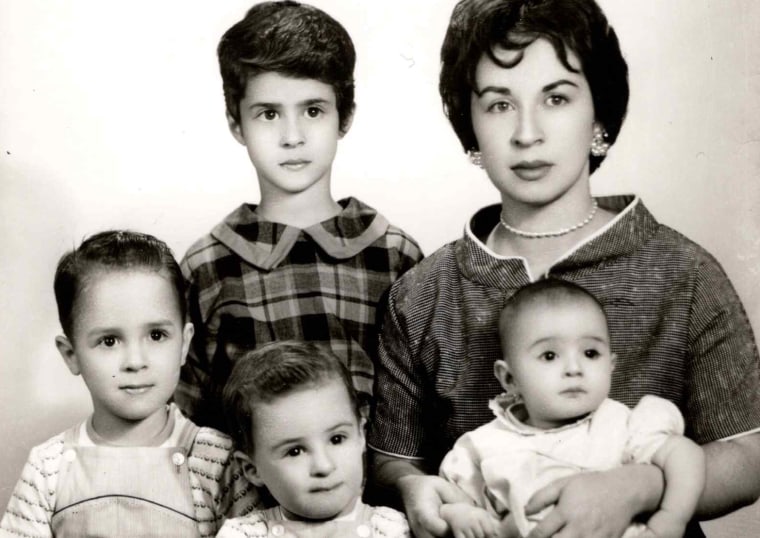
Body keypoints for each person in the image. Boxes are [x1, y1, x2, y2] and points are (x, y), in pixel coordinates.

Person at [367, 1, 760, 537]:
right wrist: (413, 488)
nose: (527, 133)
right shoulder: (421, 294)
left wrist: (640, 485)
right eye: (499, 104)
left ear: (598, 118)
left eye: (555, 98)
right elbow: (390, 460)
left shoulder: (684, 273)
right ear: (472, 128)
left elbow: (750, 451)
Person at [175, 0, 422, 432]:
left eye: (313, 110)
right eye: (269, 114)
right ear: (237, 123)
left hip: (375, 496)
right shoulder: (208, 266)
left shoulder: (393, 254)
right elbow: (185, 420)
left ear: (344, 117)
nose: (292, 137)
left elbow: (416, 413)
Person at [0, 231, 258, 538]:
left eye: (157, 335)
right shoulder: (47, 468)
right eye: (109, 341)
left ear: (184, 343)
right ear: (72, 356)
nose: (136, 361)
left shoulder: (217, 460)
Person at [438, 279, 705, 538]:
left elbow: (685, 455)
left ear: (611, 365)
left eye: (590, 353)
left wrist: (671, 518)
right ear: (510, 378)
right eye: (550, 356)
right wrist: (460, 515)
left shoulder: (623, 424)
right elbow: (448, 501)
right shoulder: (484, 446)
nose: (575, 369)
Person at [217, 340, 410, 538]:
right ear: (252, 469)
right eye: (295, 451)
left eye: (336, 439)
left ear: (361, 434)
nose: (324, 466)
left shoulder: (391, 529)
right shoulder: (244, 534)